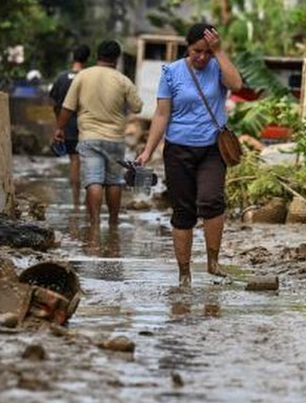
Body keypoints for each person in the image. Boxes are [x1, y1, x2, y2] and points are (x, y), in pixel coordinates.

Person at [134, 23, 244, 287]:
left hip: (211, 149)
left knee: (211, 201)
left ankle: (213, 262)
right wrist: (148, 150)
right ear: (188, 47)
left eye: (207, 52)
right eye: (197, 51)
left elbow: (237, 84)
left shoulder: (217, 67)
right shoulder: (171, 72)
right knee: (183, 212)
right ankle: (184, 273)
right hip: (178, 150)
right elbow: (162, 114)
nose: (202, 57)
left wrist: (220, 52)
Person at [54, 40, 142, 232]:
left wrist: (59, 128)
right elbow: (138, 106)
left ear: (97, 56)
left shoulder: (83, 76)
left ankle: (94, 223)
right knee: (114, 181)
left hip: (89, 137)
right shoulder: (123, 80)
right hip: (115, 139)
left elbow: (67, 107)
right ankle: (113, 223)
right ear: (117, 59)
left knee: (93, 180)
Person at [48, 45, 90, 209]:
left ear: (73, 57)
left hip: (67, 126)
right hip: (87, 126)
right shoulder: (88, 77)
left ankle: (75, 202)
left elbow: (53, 102)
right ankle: (89, 201)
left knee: (74, 161)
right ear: (87, 59)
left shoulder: (61, 77)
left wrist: (58, 124)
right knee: (89, 162)